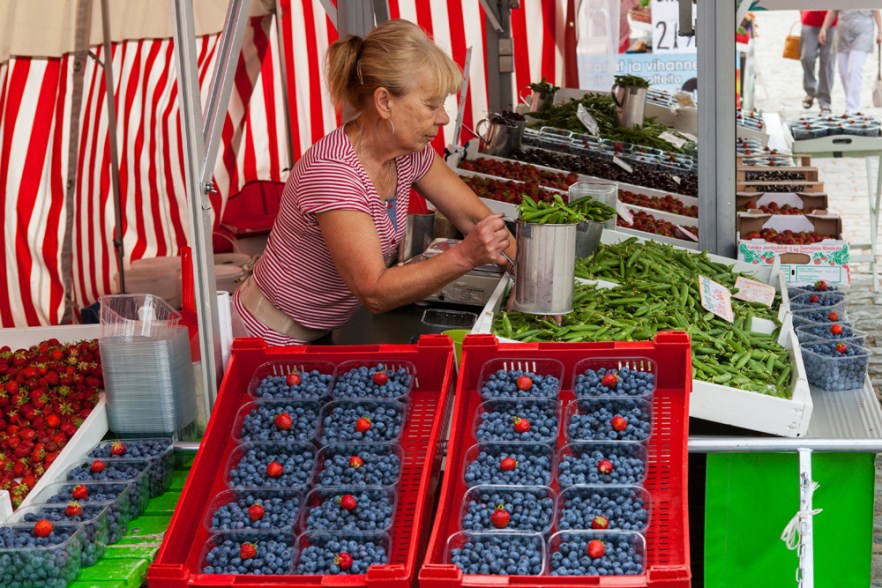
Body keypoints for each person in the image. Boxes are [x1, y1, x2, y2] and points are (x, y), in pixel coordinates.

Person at [232, 19, 516, 345]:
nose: (444, 117)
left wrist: (529, 282)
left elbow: (477, 219)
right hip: (271, 336)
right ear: (384, 102)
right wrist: (467, 255)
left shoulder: (410, 152)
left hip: (321, 332)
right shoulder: (334, 171)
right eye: (430, 104)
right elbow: (375, 292)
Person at [819, 9, 882, 114]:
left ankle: (852, 109)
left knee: (854, 69)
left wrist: (880, 31)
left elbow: (875, 10)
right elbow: (833, 10)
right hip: (842, 33)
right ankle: (851, 103)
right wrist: (824, 28)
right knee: (843, 72)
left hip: (863, 32)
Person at [799, 10, 835, 112]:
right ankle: (811, 90)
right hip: (810, 21)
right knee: (807, 57)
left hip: (832, 24)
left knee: (827, 63)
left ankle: (825, 101)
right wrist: (802, 15)